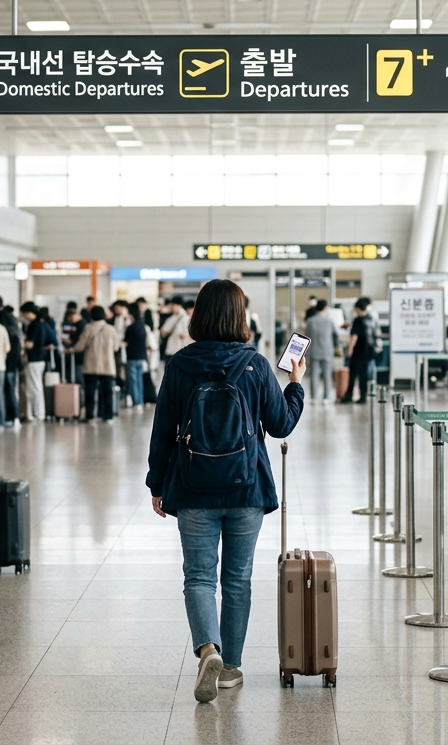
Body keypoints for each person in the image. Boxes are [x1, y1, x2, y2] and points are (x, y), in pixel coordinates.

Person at [146, 279, 305, 703]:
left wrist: (156, 484)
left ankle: (208, 649)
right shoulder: (254, 364)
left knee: (198, 576)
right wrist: (295, 383)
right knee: (237, 579)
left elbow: (163, 431)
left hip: (194, 486)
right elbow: (281, 424)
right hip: (246, 487)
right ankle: (230, 667)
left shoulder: (180, 364)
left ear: (198, 316)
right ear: (241, 317)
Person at [70, 306, 119, 421]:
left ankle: (89, 415)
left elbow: (81, 345)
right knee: (107, 392)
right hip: (107, 365)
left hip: (91, 365)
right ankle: (108, 416)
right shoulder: (111, 329)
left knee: (90, 392)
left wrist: (71, 349)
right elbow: (116, 347)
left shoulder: (88, 328)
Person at [20, 303, 57, 422]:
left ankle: (37, 413)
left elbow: (29, 344)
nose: (23, 316)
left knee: (34, 387)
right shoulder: (42, 324)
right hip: (40, 359)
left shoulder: (33, 326)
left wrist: (22, 344)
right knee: (37, 386)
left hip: (34, 359)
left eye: (24, 313)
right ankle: (37, 413)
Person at [340, 297, 379, 403]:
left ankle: (349, 396)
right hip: (369, 351)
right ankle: (363, 396)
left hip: (358, 352)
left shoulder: (358, 320)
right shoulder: (371, 318)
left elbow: (354, 337)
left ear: (357, 308)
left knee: (353, 374)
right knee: (364, 375)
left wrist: (349, 349)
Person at [304, 300, 341, 404]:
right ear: (325, 308)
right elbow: (336, 335)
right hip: (327, 351)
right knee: (327, 375)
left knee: (314, 375)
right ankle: (326, 398)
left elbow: (306, 337)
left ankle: (313, 397)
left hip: (314, 351)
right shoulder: (330, 320)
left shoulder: (310, 321)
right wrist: (336, 347)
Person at [0, 304, 24, 427]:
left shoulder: (3, 331)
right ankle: (15, 416)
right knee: (11, 390)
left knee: (4, 391)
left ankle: (7, 416)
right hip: (13, 365)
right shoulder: (15, 332)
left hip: (4, 364)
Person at [124, 303, 149, 407]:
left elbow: (125, 342)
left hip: (132, 357)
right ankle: (140, 400)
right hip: (141, 357)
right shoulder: (142, 326)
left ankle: (135, 401)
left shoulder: (131, 327)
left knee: (133, 381)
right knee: (139, 381)